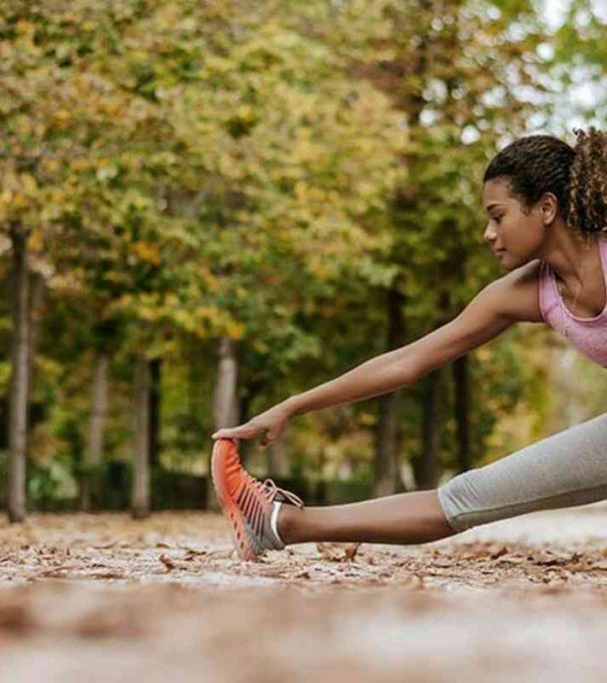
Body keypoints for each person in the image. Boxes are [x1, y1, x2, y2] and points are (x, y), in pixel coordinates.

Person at [210, 129, 607, 561]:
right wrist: (293, 406)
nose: (488, 234)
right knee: (467, 495)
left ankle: (280, 523)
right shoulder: (522, 293)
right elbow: (408, 362)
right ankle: (277, 523)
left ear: (546, 207)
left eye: (498, 216)